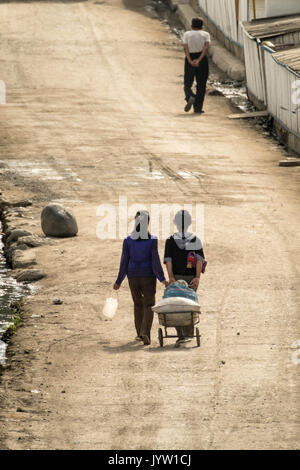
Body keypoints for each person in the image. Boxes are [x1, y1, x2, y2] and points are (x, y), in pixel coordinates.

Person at [114, 210, 167, 345]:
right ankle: (145, 332)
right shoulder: (152, 240)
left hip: (133, 276)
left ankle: (139, 334)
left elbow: (124, 261)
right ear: (147, 223)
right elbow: (155, 260)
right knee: (149, 305)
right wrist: (162, 278)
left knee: (137, 305)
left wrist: (119, 281)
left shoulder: (128, 241)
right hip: (148, 276)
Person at [164, 210, 206, 346]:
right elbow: (199, 260)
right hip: (191, 279)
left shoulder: (170, 241)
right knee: (189, 304)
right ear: (189, 224)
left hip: (176, 278)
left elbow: (168, 260)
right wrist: (197, 277)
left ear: (175, 223)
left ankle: (181, 334)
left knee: (176, 305)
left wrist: (171, 277)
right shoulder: (195, 239)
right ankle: (188, 333)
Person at [182, 17, 210, 114]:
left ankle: (190, 96)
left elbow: (185, 48)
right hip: (202, 60)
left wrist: (190, 61)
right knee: (201, 85)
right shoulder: (206, 34)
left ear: (191, 26)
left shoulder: (187, 34)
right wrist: (198, 60)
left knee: (187, 83)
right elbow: (206, 49)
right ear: (202, 27)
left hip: (190, 57)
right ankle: (198, 108)